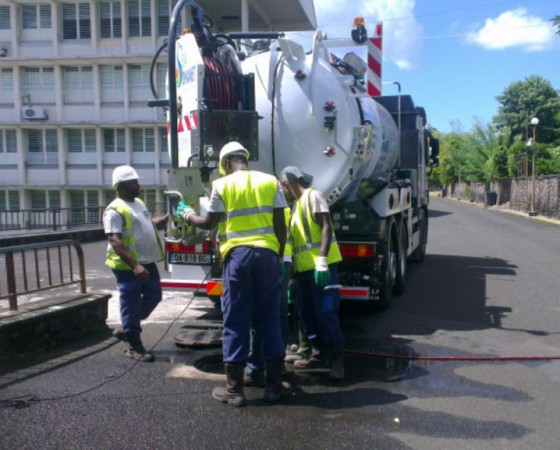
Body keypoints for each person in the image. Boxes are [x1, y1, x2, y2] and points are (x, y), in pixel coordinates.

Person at [177, 141, 291, 407]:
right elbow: (279, 224)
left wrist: (188, 213)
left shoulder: (222, 185)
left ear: (227, 163)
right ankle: (273, 388)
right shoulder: (270, 181)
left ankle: (235, 390)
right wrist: (278, 257)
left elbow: (209, 223)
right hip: (267, 257)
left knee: (236, 320)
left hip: (238, 259)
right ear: (244, 159)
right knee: (270, 319)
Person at [279, 165, 345, 380]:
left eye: (282, 187)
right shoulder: (296, 206)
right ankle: (317, 354)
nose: (283, 191)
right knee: (306, 313)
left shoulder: (313, 196)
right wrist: (293, 277)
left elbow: (327, 226)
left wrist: (323, 260)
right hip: (305, 271)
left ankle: (336, 361)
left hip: (321, 268)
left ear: (287, 183)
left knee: (325, 312)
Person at [103, 165, 169, 362]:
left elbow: (143, 225)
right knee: (130, 301)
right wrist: (134, 265)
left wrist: (158, 223)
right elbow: (114, 239)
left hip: (146, 261)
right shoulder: (114, 210)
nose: (137, 185)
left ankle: (128, 326)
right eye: (133, 182)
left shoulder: (138, 202)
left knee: (154, 296)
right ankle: (133, 344)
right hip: (128, 266)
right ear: (121, 186)